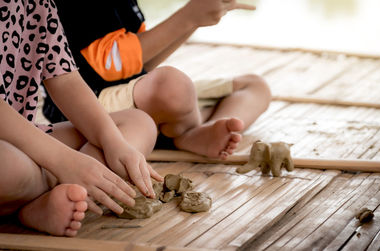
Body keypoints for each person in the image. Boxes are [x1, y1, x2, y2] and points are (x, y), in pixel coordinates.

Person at [0, 0, 162, 237]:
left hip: (25, 141)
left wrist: (113, 143)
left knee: (138, 123)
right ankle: (45, 191)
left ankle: (49, 196)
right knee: (8, 166)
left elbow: (65, 79)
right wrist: (63, 161)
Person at [43, 0, 272, 160]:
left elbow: (143, 64)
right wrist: (188, 15)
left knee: (254, 85)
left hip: (130, 93)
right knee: (172, 84)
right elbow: (109, 67)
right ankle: (187, 133)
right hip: (84, 103)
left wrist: (196, 19)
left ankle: (209, 129)